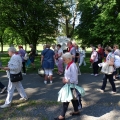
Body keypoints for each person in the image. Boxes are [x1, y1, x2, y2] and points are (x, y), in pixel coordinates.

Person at [54, 52, 85, 120]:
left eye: (64, 59)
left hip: (71, 85)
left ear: (69, 59)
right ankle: (76, 111)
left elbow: (74, 78)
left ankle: (62, 116)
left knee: (66, 100)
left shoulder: (72, 66)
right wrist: (65, 79)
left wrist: (66, 80)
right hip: (68, 85)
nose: (63, 60)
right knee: (73, 98)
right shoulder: (69, 64)